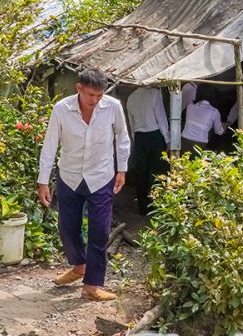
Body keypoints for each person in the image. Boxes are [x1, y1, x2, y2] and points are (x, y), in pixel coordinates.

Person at [38, 68, 130, 301]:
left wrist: (122, 169)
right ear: (78, 88)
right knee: (67, 227)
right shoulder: (61, 109)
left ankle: (92, 285)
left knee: (99, 230)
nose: (95, 100)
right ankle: (79, 266)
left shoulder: (112, 107)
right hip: (69, 176)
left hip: (101, 176)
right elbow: (50, 146)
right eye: (90, 95)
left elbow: (122, 137)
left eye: (99, 95)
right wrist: (43, 181)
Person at [126, 85, 169, 216]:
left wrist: (135, 140)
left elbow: (131, 123)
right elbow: (161, 118)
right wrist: (167, 139)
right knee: (160, 170)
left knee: (141, 172)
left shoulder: (131, 97)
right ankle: (160, 205)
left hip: (139, 137)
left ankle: (143, 207)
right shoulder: (154, 93)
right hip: (155, 135)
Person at [181, 84, 225, 154]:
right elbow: (218, 131)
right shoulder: (214, 111)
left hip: (184, 141)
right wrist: (224, 127)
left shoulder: (190, 106)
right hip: (200, 144)